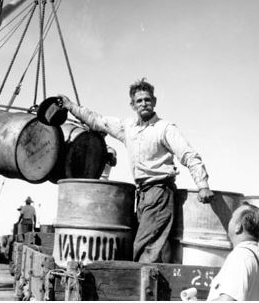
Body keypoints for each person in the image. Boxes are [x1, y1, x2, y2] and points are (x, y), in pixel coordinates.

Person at [58, 78, 214, 263]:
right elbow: (97, 120)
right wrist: (70, 106)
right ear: (132, 105)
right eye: (139, 101)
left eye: (147, 99)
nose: (144, 104)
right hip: (142, 195)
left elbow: (189, 155)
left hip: (159, 192)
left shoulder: (165, 129)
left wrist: (202, 184)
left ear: (154, 102)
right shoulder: (128, 129)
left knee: (145, 246)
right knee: (155, 245)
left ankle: (142, 286)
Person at [207, 202, 259, 301]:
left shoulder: (240, 256)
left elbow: (228, 301)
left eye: (232, 218)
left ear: (238, 227)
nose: (229, 222)